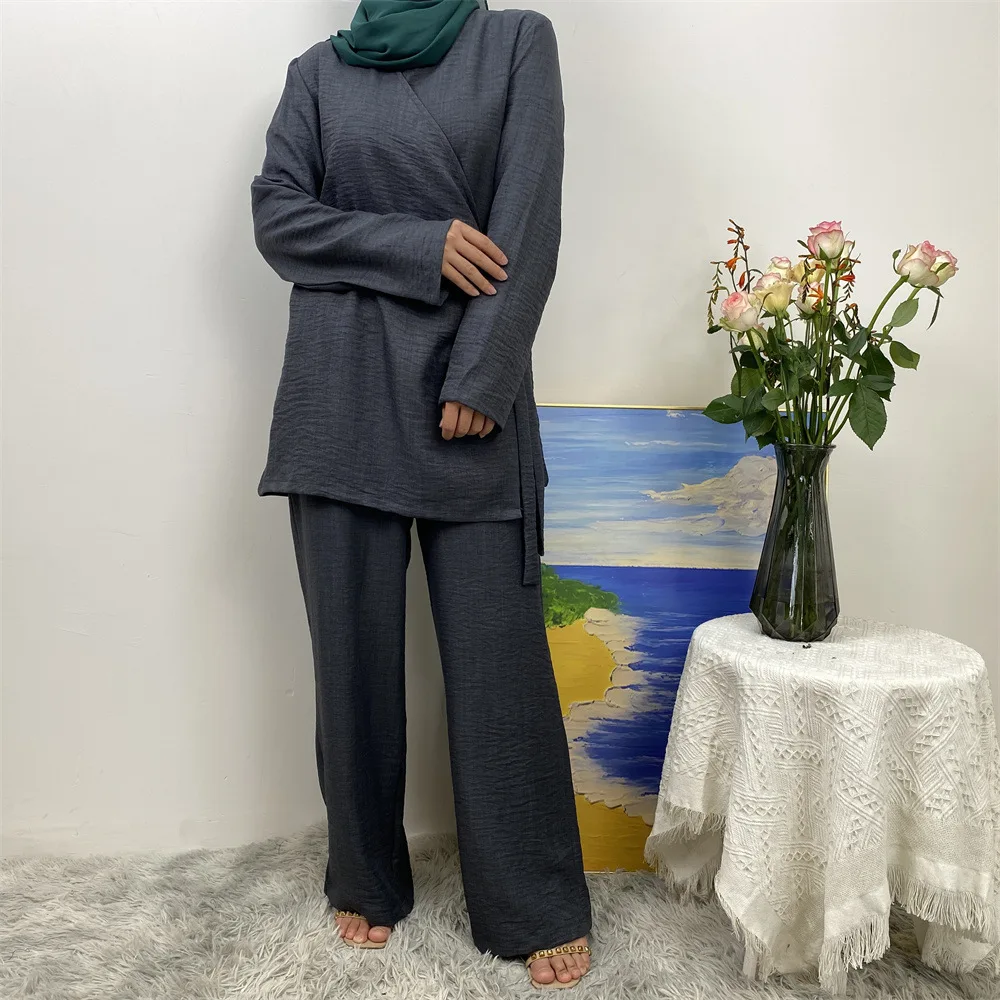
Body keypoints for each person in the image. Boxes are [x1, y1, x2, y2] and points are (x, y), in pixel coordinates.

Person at [250, 0, 592, 989]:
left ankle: (532, 902)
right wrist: (417, 243)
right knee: (350, 658)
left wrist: (484, 374)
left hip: (465, 387)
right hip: (338, 390)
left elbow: (528, 213)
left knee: (499, 665)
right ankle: (364, 877)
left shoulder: (516, 42)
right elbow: (278, 218)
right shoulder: (316, 73)